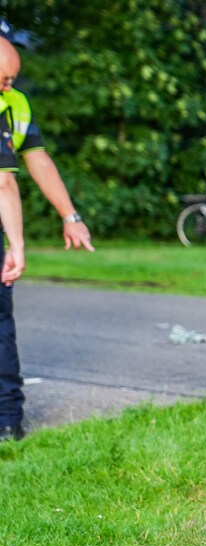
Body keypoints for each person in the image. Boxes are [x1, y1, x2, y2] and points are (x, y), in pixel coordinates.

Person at [0, 28, 93, 443]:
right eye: (3, 78)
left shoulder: (13, 105)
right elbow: (3, 184)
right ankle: (7, 416)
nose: (10, 85)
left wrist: (70, 214)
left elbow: (37, 159)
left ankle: (7, 419)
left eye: (12, 78)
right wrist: (17, 245)